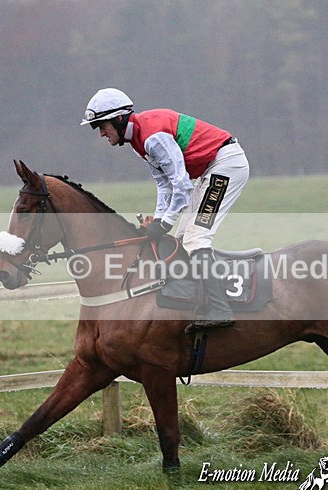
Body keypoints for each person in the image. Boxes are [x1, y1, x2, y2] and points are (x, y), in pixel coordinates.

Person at [80, 88, 249, 332]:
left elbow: (181, 184)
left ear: (118, 119)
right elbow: (164, 184)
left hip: (226, 165)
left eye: (101, 126)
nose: (101, 134)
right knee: (182, 240)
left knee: (196, 237)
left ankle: (220, 308)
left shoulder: (152, 137)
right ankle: (199, 303)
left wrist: (164, 223)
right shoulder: (138, 139)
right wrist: (159, 220)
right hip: (210, 169)